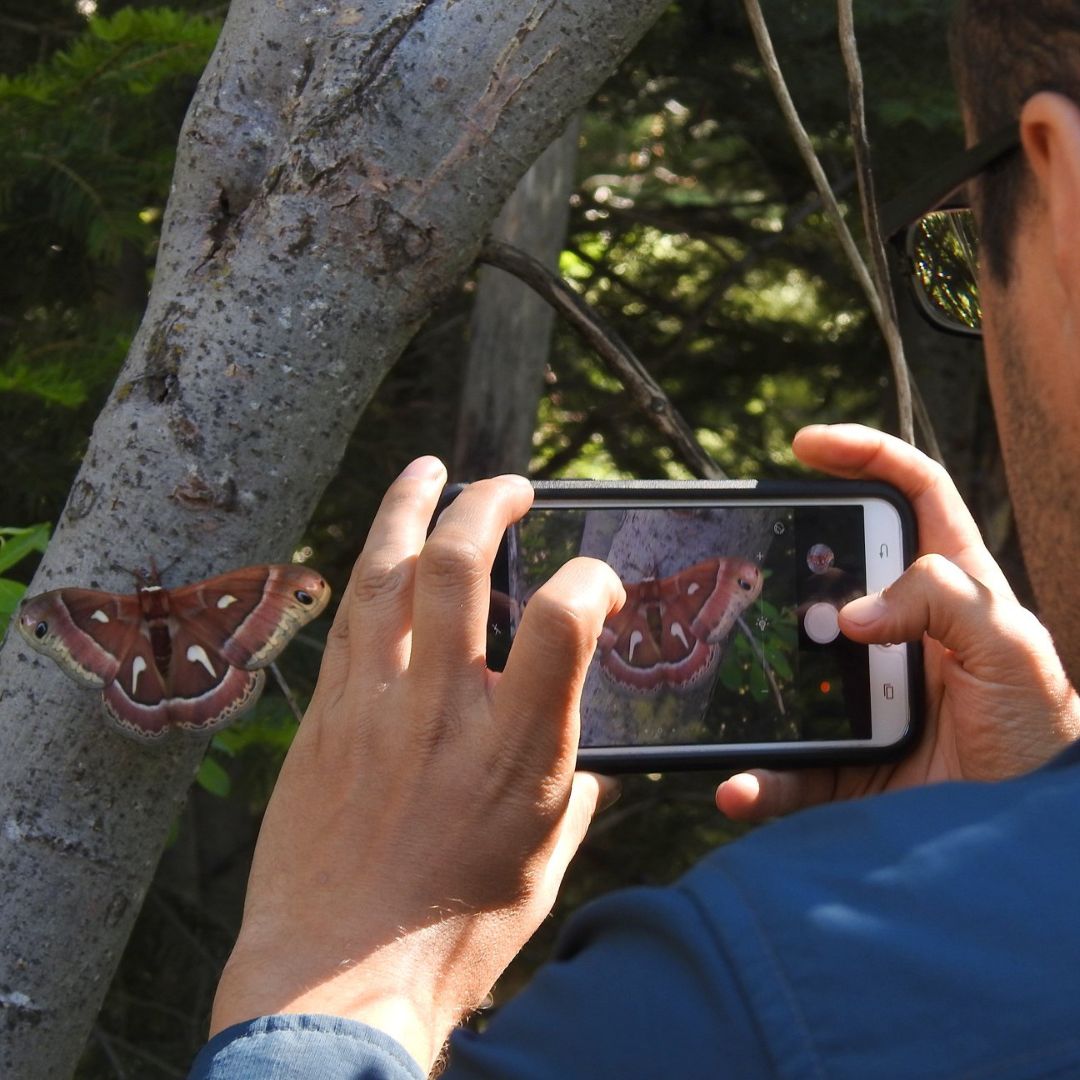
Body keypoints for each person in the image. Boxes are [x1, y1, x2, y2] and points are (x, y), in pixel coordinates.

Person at [190, 1, 1080, 1075]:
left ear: (1066, 196)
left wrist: (344, 967)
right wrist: (990, 862)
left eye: (967, 246)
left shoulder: (756, 999)